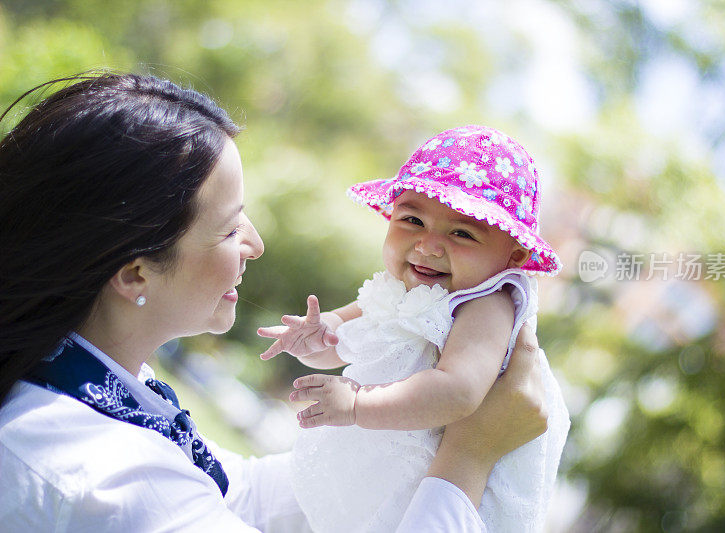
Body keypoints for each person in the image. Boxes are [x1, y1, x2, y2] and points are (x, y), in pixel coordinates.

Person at [0, 74, 549, 532]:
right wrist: (469, 457)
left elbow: (238, 494)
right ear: (135, 272)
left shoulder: (87, 386)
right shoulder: (110, 479)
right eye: (229, 225)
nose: (256, 244)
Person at [258, 125, 570, 532]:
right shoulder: (398, 288)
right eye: (412, 220)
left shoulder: (488, 302)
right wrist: (314, 337)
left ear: (514, 253)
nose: (428, 245)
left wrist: (357, 404)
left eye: (461, 232)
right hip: (388, 457)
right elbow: (340, 345)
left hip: (445, 477)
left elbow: (458, 389)